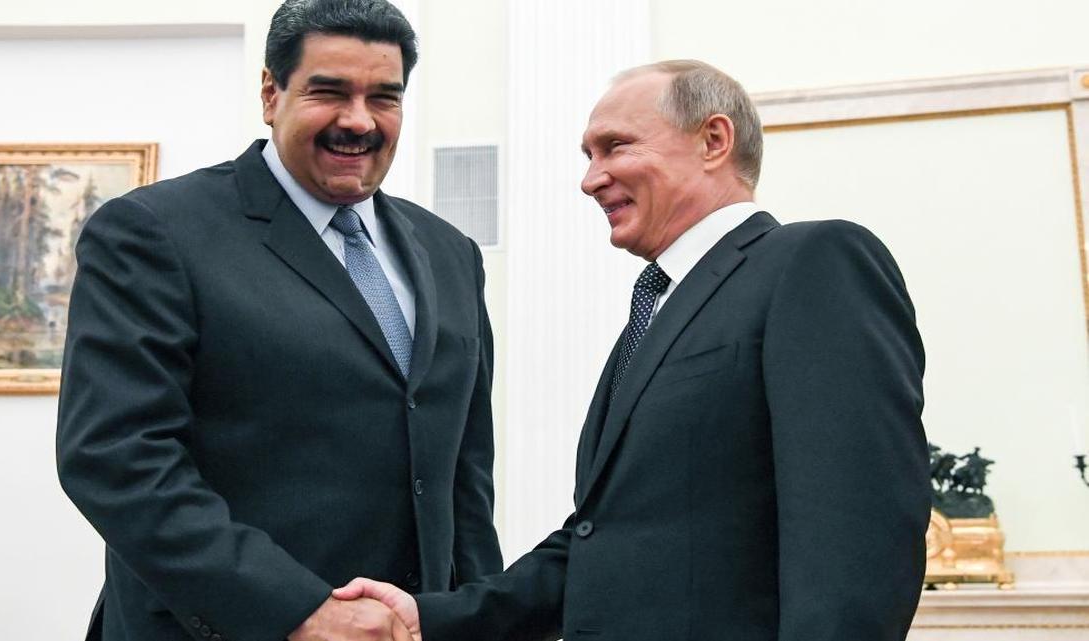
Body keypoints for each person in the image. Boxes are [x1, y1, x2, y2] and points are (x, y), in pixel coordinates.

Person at [335, 59, 931, 641]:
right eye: (589, 156)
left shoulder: (813, 262)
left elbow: (855, 537)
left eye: (615, 146)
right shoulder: (656, 311)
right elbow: (600, 541)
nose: (590, 178)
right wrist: (430, 618)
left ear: (713, 140)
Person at [55, 1, 502, 640]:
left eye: (385, 97)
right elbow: (117, 459)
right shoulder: (154, 232)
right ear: (271, 93)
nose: (359, 120)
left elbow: (464, 474)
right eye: (329, 92)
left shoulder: (450, 252)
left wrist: (478, 618)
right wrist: (298, 610)